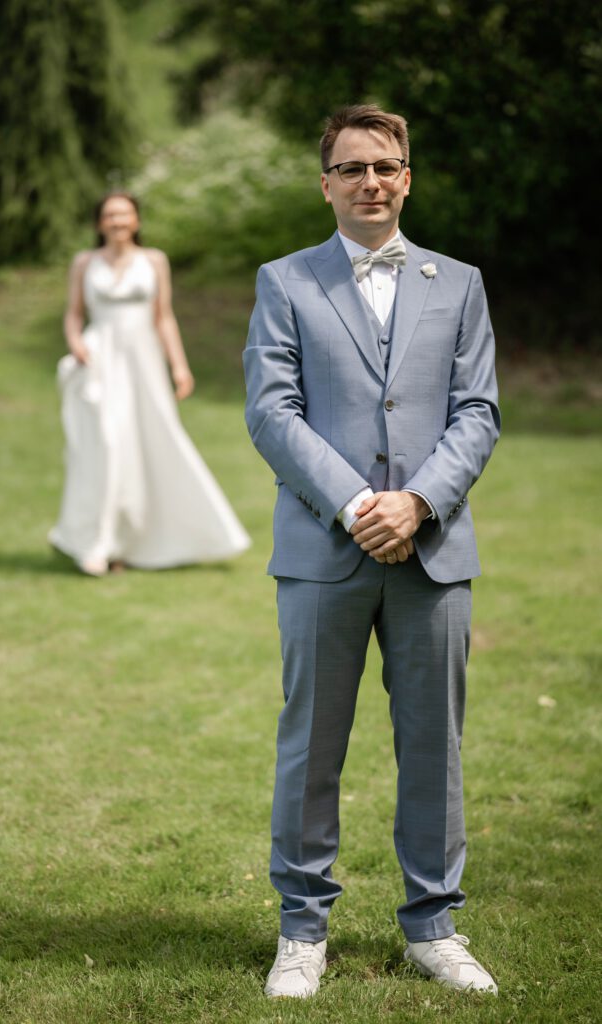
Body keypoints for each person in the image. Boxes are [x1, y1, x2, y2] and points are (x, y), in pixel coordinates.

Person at [244, 104, 500, 998]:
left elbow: (478, 411)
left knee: (434, 745)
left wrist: (419, 501)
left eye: (385, 166)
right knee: (310, 745)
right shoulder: (285, 280)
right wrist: (358, 503)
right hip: (324, 548)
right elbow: (271, 412)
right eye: (351, 168)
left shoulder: (458, 282)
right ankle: (301, 931)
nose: (370, 182)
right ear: (326, 184)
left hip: (433, 552)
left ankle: (433, 927)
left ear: (406, 177)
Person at [49, 191, 250, 575]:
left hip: (143, 363)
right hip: (101, 361)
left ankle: (148, 540)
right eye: (110, 215)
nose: (117, 222)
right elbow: (74, 313)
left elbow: (164, 317)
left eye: (124, 215)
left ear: (136, 221)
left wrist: (179, 366)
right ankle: (100, 542)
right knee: (107, 444)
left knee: (151, 442)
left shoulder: (154, 260)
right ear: (99, 223)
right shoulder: (84, 263)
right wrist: (75, 343)